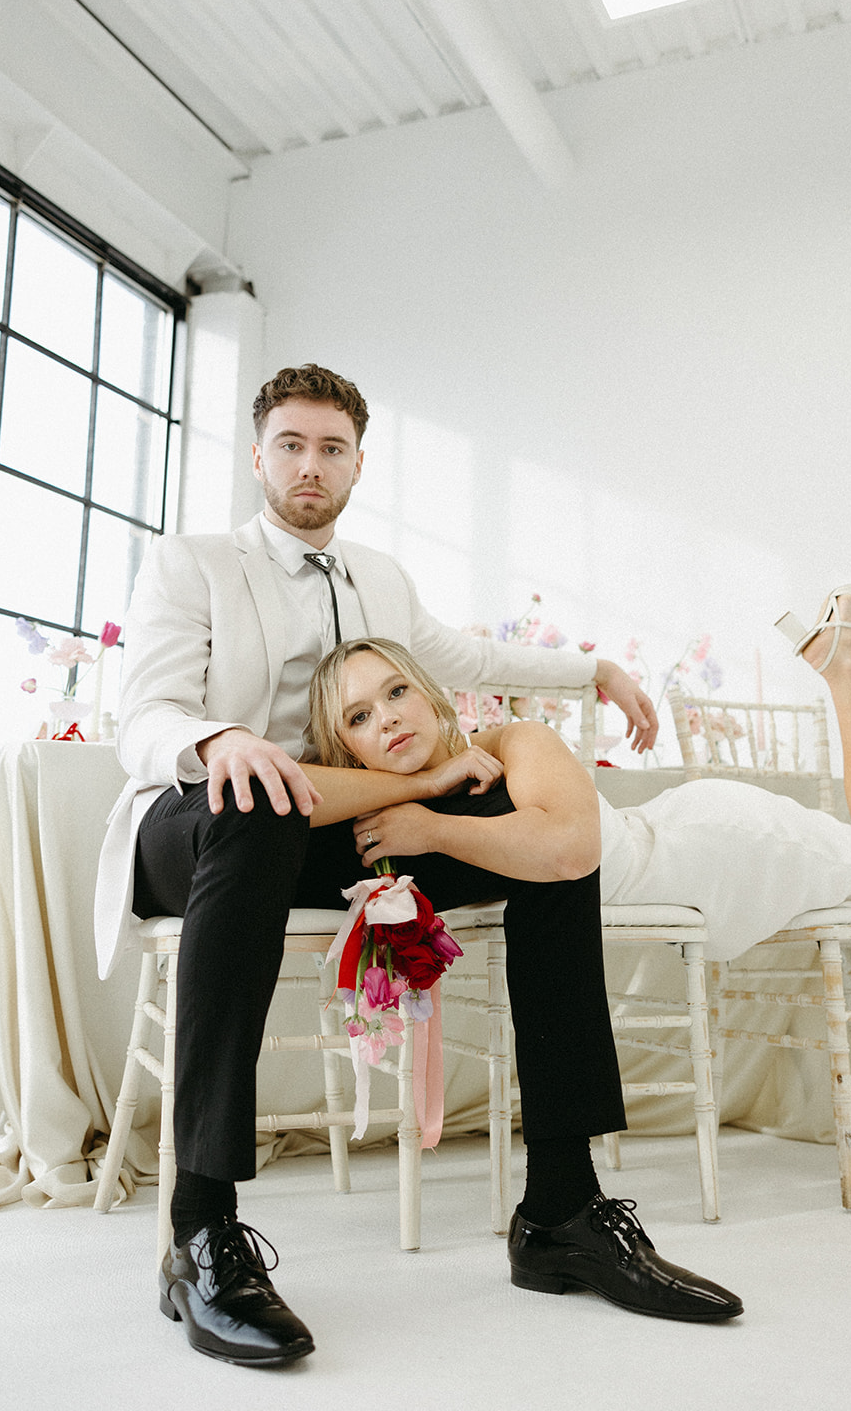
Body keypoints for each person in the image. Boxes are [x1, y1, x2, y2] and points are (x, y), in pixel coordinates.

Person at [94, 363, 741, 1370]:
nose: (311, 464)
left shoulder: (379, 575)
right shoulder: (194, 563)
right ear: (258, 453)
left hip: (345, 826)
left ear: (356, 462)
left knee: (538, 844)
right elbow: (145, 714)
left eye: (332, 447)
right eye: (292, 444)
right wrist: (223, 740)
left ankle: (561, 1208)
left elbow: (461, 656)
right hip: (208, 823)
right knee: (255, 802)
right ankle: (199, 1231)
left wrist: (592, 669)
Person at [308, 586, 851, 1006]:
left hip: (704, 848)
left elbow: (572, 847)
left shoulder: (514, 739)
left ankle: (844, 669)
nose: (389, 717)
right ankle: (839, 663)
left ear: (429, 695)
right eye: (359, 717)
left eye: (396, 692)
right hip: (678, 839)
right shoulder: (387, 792)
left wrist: (432, 830)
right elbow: (299, 788)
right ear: (346, 749)